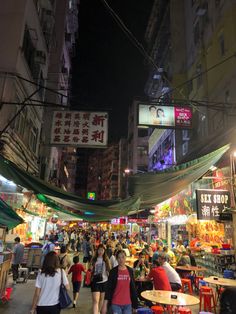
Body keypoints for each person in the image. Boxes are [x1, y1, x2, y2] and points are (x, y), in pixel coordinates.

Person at [101, 250, 138, 314]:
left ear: (125, 258)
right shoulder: (113, 272)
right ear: (116, 259)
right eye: (119, 257)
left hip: (128, 304)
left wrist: (135, 305)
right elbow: (108, 289)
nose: (121, 260)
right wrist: (104, 305)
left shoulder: (130, 271)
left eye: (123, 257)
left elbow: (133, 289)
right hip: (116, 304)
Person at [90, 244, 111, 314]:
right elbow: (90, 270)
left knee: (101, 299)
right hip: (95, 282)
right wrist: (91, 269)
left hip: (104, 281)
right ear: (97, 250)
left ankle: (98, 311)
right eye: (99, 250)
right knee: (95, 301)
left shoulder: (106, 260)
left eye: (102, 250)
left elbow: (109, 270)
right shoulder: (94, 259)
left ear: (104, 251)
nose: (100, 252)